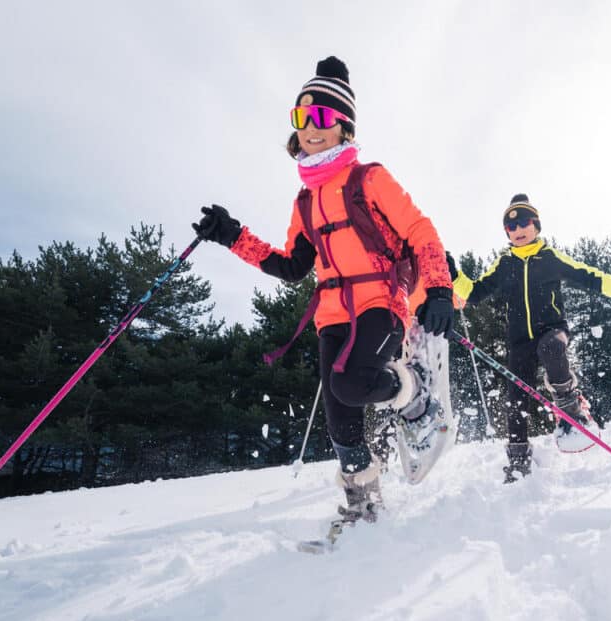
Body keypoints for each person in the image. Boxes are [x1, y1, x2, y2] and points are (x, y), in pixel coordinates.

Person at [192, 55, 455, 533]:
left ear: (344, 127)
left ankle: (416, 396)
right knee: (340, 418)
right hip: (331, 313)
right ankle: (363, 507)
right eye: (301, 119)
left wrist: (438, 287)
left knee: (351, 383)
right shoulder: (304, 201)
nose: (309, 129)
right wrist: (233, 236)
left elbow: (420, 230)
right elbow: (292, 265)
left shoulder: (370, 178)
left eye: (321, 118)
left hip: (381, 304)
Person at [450, 194, 611, 482]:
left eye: (525, 222)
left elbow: (589, 275)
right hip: (519, 340)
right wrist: (453, 274)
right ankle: (518, 461)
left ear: (536, 226)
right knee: (516, 400)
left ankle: (571, 410)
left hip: (552, 329)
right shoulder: (504, 263)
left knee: (552, 348)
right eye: (511, 227)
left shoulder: (550, 257)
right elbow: (475, 293)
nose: (518, 230)